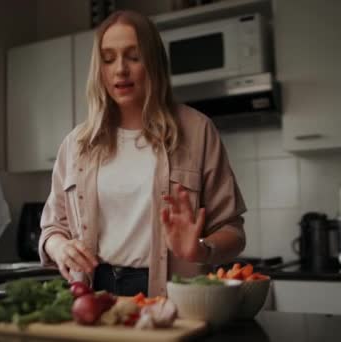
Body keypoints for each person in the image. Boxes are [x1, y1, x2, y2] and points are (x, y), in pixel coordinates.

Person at [38, 10, 246, 297]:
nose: (120, 69)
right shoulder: (77, 143)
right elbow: (51, 229)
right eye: (108, 59)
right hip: (93, 292)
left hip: (170, 296)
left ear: (154, 63)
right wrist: (60, 247)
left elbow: (233, 232)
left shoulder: (197, 132)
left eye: (133, 56)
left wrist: (199, 249)